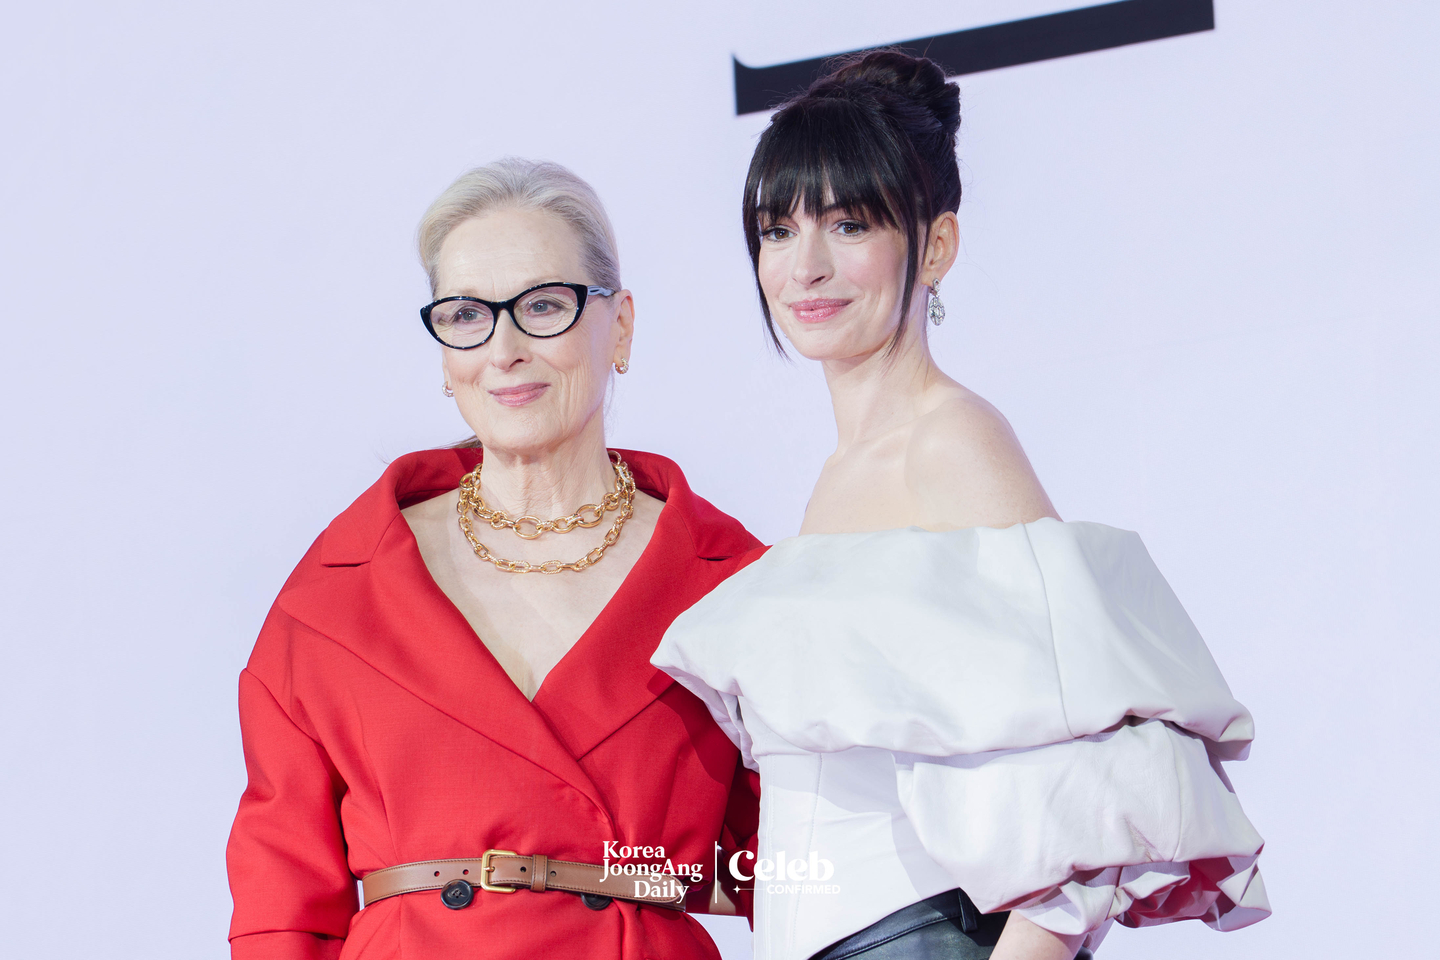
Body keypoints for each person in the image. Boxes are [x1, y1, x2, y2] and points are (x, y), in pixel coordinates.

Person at [652, 52, 1270, 960]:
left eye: (849, 223)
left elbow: (1088, 796)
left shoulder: (952, 444)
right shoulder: (843, 472)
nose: (806, 265)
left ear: (935, 245)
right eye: (777, 230)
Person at [226, 158, 761, 960]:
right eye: (468, 314)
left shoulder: (729, 582)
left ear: (619, 326)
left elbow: (804, 868)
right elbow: (281, 905)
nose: (504, 348)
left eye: (544, 305)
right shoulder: (339, 591)